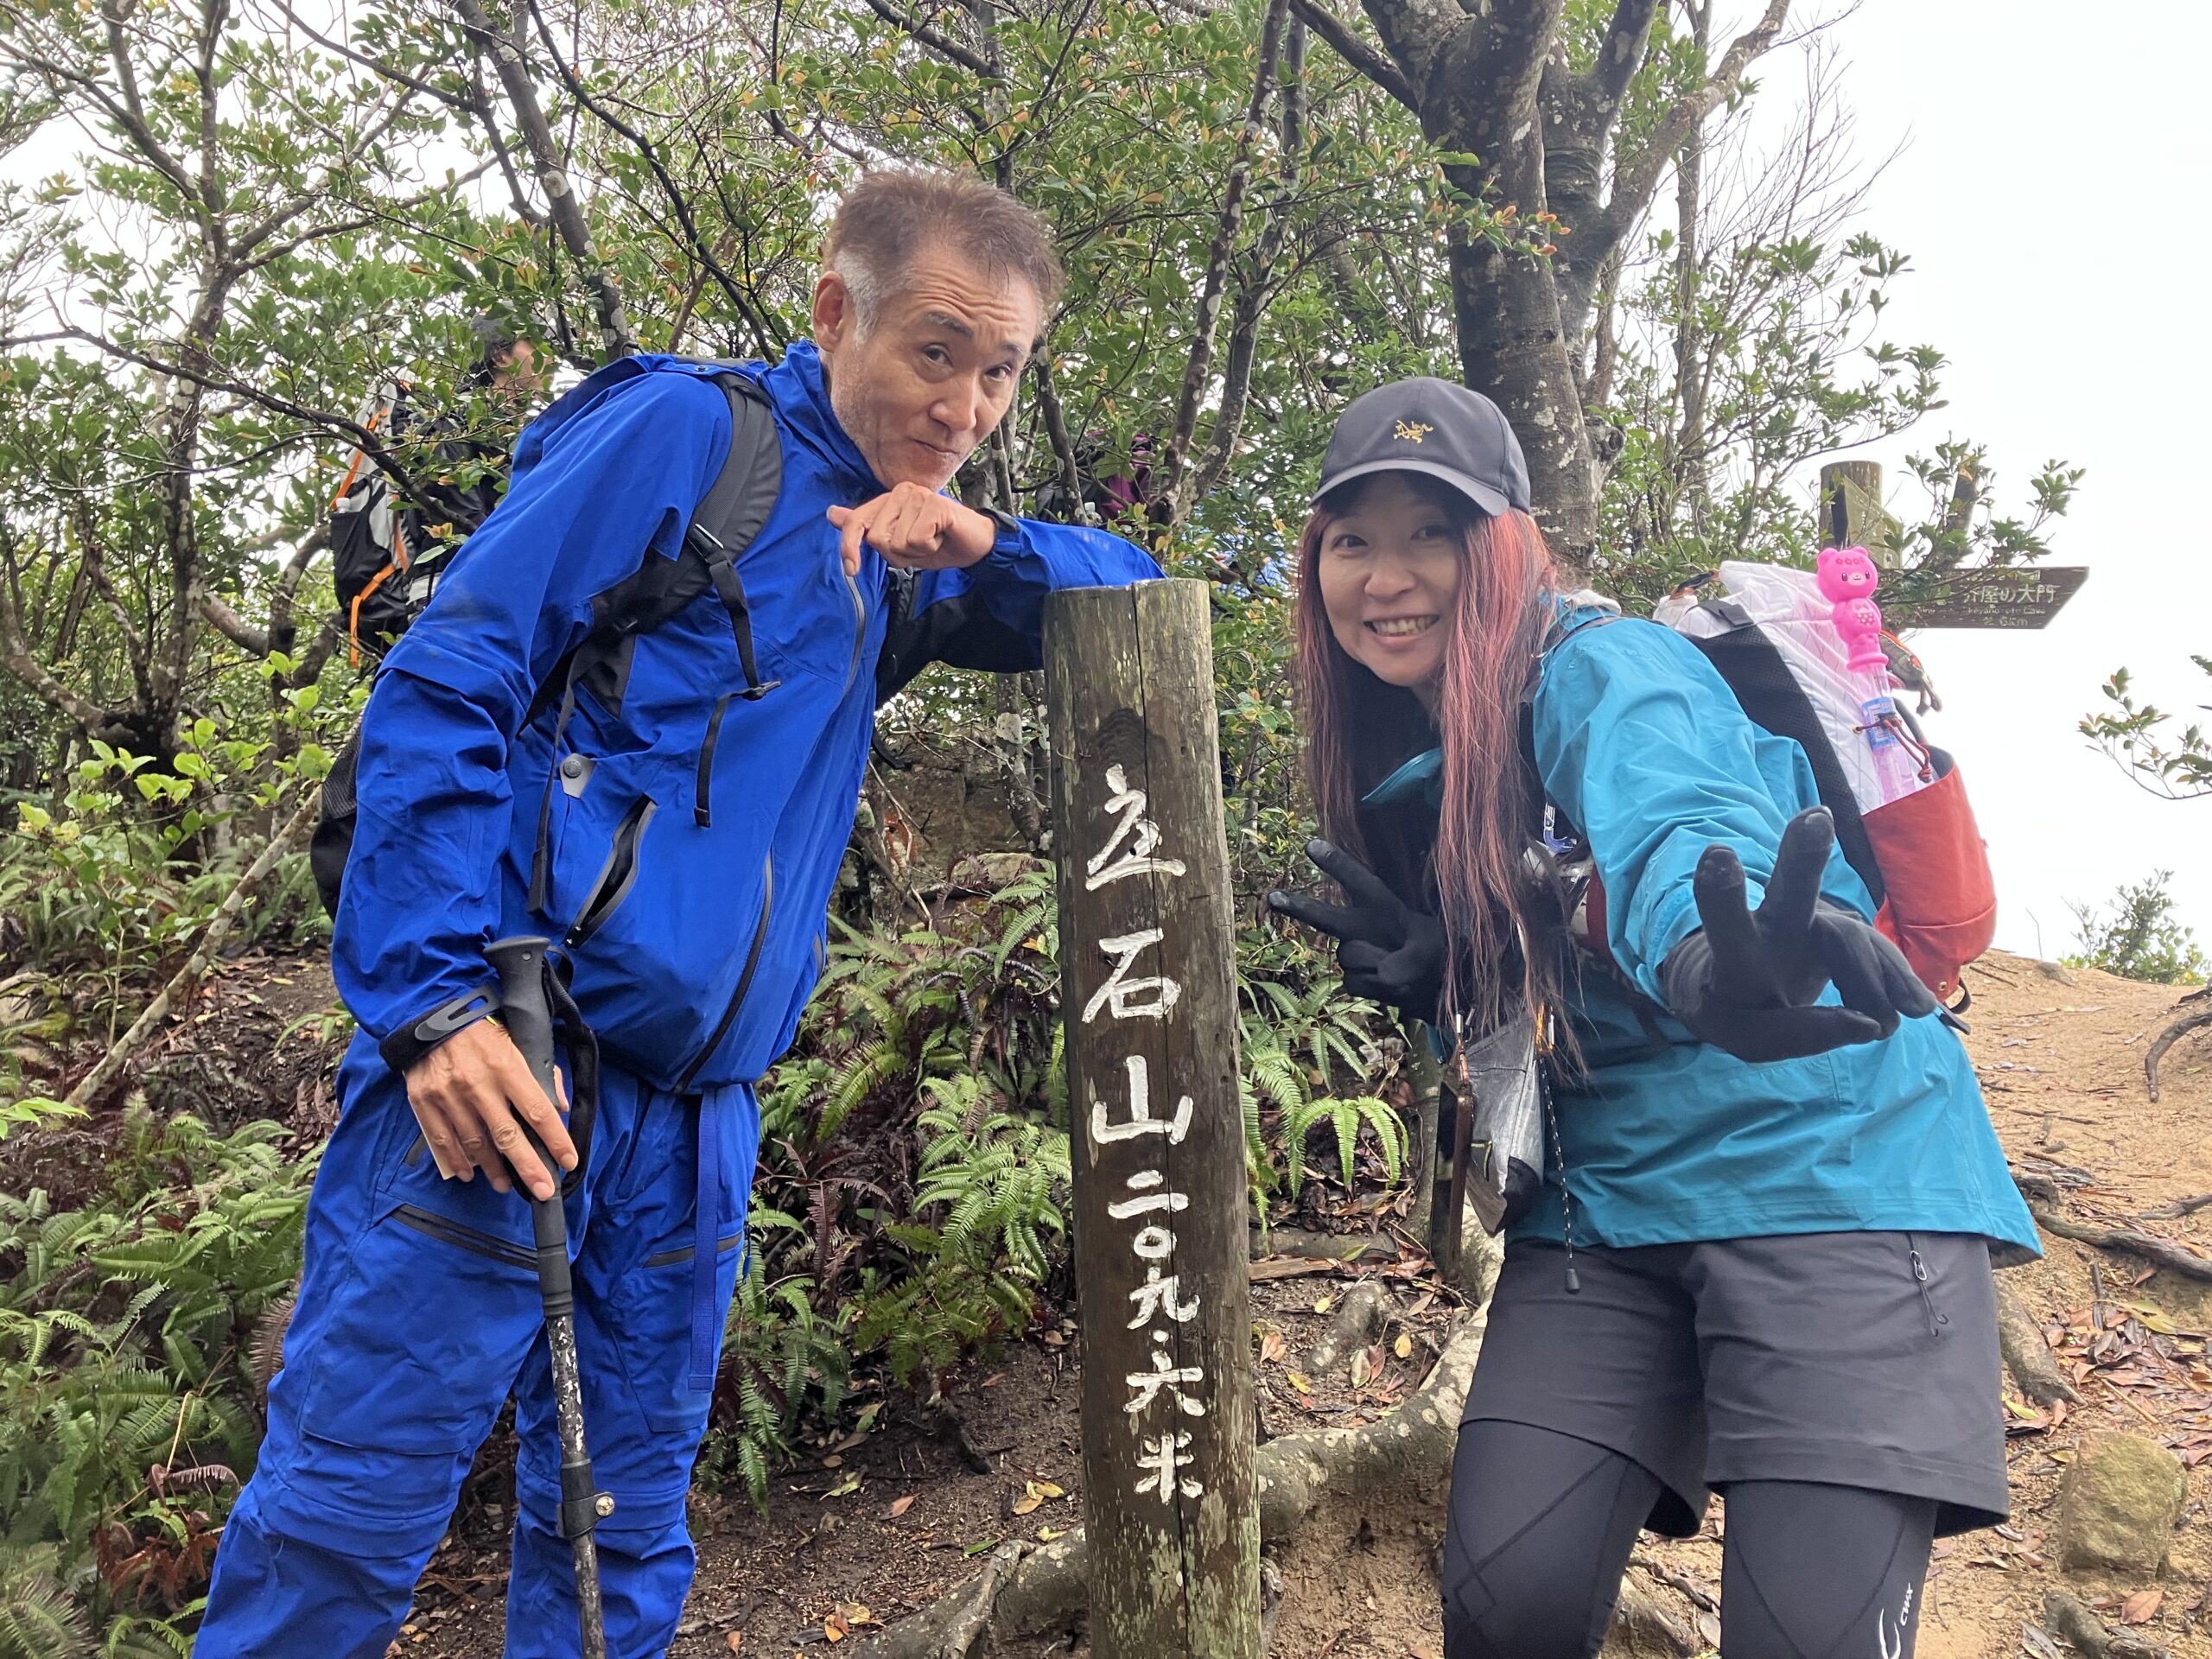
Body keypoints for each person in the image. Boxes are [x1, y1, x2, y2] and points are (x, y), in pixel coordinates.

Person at [200, 169, 1160, 1656]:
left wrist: (981, 545)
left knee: (621, 1540)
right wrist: (431, 1010)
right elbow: (446, 683)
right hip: (512, 1059)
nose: (966, 406)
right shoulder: (693, 439)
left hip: (699, 1122)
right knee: (343, 1521)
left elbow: (1136, 596)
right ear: (837, 311)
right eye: (937, 352)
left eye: (1001, 372)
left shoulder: (896, 555)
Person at [1265, 378, 2037, 1659]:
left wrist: (1705, 954)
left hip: (1833, 1181)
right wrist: (1448, 967)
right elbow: (1547, 951)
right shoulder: (1416, 760)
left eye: (1431, 533)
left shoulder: (1606, 665)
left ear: (1503, 543)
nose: (1388, 576)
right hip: (1604, 1206)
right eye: (1355, 540)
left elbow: (1675, 806)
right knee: (1507, 1605)